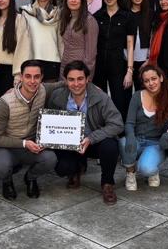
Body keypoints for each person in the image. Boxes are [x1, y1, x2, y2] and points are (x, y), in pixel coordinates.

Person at [46, 61, 123, 205]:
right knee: (62, 168)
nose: (76, 84)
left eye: (80, 79)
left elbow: (117, 124)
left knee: (110, 146)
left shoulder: (101, 97)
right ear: (65, 81)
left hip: (93, 142)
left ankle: (107, 184)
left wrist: (91, 138)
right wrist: (17, 87)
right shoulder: (57, 96)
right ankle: (76, 170)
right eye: (71, 79)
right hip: (70, 145)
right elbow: (40, 88)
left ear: (87, 79)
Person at [0, 60, 57, 200]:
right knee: (2, 166)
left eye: (36, 77)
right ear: (21, 77)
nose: (32, 81)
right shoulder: (5, 102)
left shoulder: (43, 90)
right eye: (28, 76)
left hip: (31, 146)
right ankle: (7, 181)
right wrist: (25, 143)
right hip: (7, 146)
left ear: (42, 77)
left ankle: (30, 178)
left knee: (50, 159)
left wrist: (90, 86)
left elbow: (67, 84)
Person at [120, 65, 168, 191]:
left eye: (154, 79)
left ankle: (152, 171)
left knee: (146, 168)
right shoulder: (137, 96)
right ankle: (130, 173)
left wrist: (167, 136)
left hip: (156, 144)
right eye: (147, 81)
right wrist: (130, 137)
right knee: (123, 142)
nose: (151, 83)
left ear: (161, 78)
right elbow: (129, 123)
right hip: (137, 140)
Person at [93, 0, 135, 121]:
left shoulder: (128, 16)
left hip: (119, 65)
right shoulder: (97, 17)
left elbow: (130, 44)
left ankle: (121, 133)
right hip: (99, 66)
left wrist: (130, 71)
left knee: (120, 100)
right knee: (99, 101)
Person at [0, 0, 31, 116]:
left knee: (9, 110)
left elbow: (23, 48)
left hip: (10, 72)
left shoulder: (19, 19)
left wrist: (18, 74)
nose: (0, 0)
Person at [21, 0, 62, 82]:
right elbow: (23, 43)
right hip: (33, 63)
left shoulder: (58, 14)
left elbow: (61, 42)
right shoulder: (27, 12)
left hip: (54, 64)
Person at [59, 0, 98, 79]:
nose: (73, 0)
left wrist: (86, 75)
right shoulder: (65, 18)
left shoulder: (89, 21)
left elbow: (91, 54)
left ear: (82, 0)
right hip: (63, 69)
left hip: (80, 71)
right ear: (66, 0)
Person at [124, 0, 151, 90]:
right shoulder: (124, 14)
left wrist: (149, 59)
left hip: (145, 60)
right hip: (126, 60)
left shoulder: (150, 14)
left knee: (143, 92)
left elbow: (154, 38)